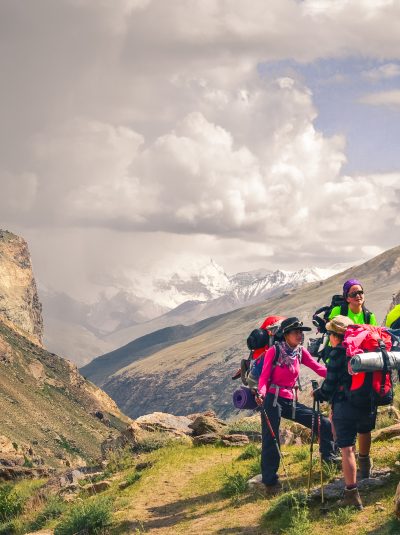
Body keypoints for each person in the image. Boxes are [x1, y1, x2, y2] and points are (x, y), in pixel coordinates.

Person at [257, 317, 336, 492]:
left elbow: (318, 368)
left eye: (301, 332)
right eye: (296, 332)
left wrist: (339, 372)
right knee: (272, 438)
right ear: (286, 335)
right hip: (271, 399)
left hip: (290, 399)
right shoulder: (274, 351)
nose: (300, 335)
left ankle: (330, 460)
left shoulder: (300, 352)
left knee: (323, 423)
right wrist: (261, 393)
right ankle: (270, 481)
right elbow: (263, 377)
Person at [313, 315, 377, 510]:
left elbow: (330, 384)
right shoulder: (365, 349)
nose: (329, 337)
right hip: (367, 402)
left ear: (335, 335)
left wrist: (319, 394)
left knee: (347, 448)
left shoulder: (337, 354)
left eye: (330, 333)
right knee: (365, 430)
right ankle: (365, 468)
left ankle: (352, 493)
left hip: (344, 405)